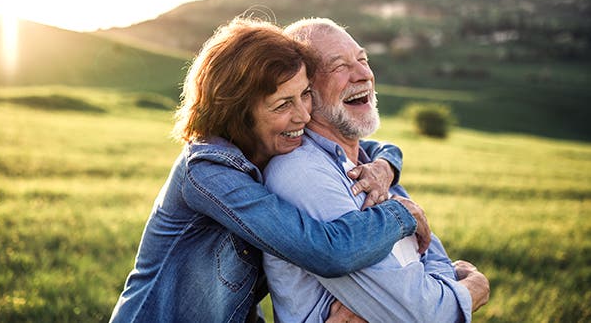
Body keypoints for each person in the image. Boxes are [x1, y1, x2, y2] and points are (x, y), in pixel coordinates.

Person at [108, 17, 431, 323]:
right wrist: (401, 214)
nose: (303, 116)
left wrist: (384, 166)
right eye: (282, 105)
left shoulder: (272, 143)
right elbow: (328, 252)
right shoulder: (207, 172)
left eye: (304, 94)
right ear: (238, 112)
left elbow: (368, 147)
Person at [263, 18, 490, 322]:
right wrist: (473, 287)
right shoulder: (302, 174)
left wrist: (436, 283)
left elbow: (426, 252)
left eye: (363, 59)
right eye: (339, 66)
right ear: (305, 91)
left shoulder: (372, 168)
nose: (364, 74)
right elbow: (421, 315)